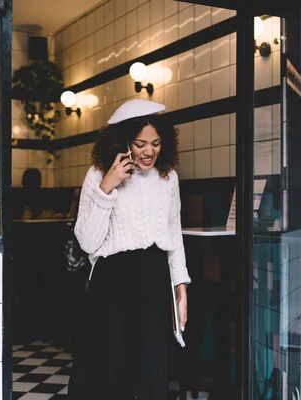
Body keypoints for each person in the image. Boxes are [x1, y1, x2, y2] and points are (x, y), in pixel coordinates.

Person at [69, 99, 191, 400]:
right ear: (123, 142)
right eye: (140, 144)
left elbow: (174, 234)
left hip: (154, 278)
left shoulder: (168, 177)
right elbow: (87, 242)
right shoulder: (98, 174)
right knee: (109, 371)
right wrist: (108, 186)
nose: (149, 151)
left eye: (156, 143)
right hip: (112, 281)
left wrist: (180, 287)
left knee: (151, 372)